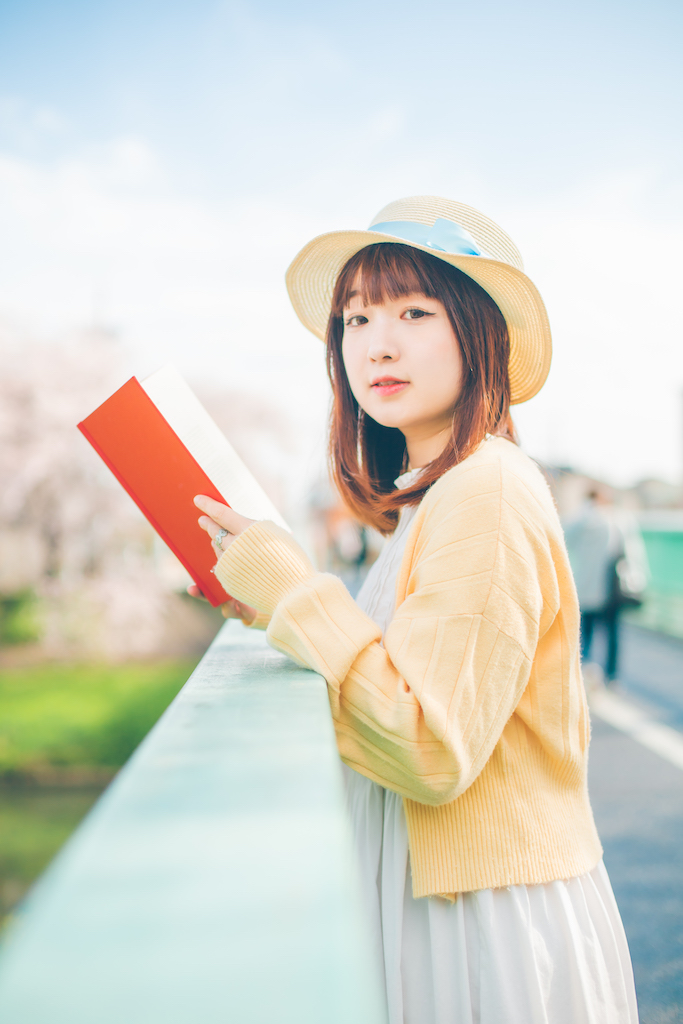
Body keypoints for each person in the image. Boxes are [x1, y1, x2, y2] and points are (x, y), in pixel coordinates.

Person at [190, 197, 638, 1023]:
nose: (376, 343)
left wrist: (293, 588)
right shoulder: (434, 500)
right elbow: (401, 668)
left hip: (479, 921)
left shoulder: (486, 491)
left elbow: (427, 743)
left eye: (412, 311)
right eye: (355, 318)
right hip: (447, 899)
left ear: (480, 333)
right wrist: (264, 603)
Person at [564, 489, 647, 684]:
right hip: (615, 587)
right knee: (612, 634)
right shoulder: (622, 519)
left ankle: (582, 674)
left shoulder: (585, 519)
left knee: (585, 633)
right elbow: (633, 553)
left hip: (591, 586)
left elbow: (564, 538)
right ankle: (611, 676)